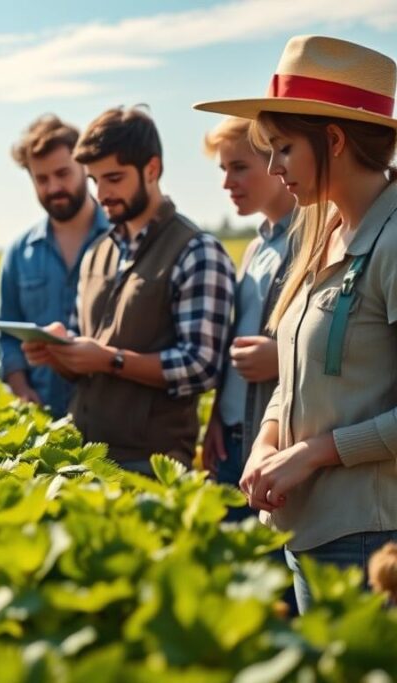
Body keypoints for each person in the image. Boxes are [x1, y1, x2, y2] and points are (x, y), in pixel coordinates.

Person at [195, 35, 397, 612]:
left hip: (373, 542)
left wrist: (313, 453)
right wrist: (266, 439)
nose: (274, 168)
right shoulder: (321, 231)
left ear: (333, 139)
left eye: (282, 149)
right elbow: (296, 371)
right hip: (307, 532)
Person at [24, 106, 236, 473]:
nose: (102, 193)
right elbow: (87, 355)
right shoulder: (97, 253)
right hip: (85, 457)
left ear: (152, 170)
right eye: (94, 181)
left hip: (152, 467)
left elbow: (201, 368)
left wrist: (109, 359)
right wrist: (60, 352)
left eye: (114, 178)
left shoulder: (198, 252)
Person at [200, 117, 296, 514]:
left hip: (276, 445)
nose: (227, 183)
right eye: (224, 170)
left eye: (239, 167)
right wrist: (217, 418)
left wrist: (281, 357)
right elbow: (234, 343)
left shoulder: (317, 240)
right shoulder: (256, 249)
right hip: (232, 439)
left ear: (275, 162)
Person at [0, 115, 109, 415]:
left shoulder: (120, 239)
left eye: (63, 173)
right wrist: (21, 390)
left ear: (85, 167)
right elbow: (7, 337)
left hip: (112, 417)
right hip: (43, 420)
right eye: (42, 179)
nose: (54, 187)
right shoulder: (20, 253)